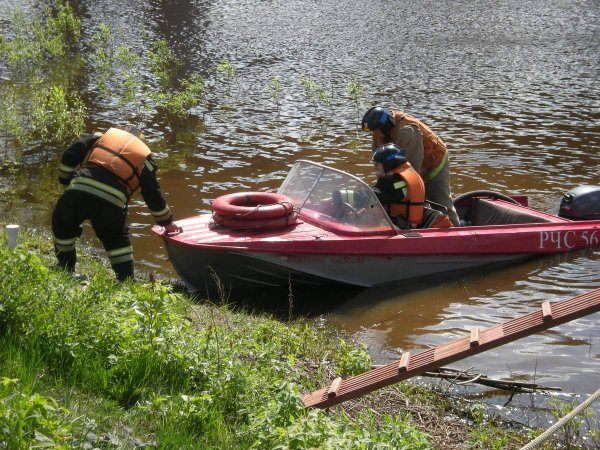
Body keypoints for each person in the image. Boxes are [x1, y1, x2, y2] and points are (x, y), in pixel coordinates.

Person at [52, 126, 180, 281]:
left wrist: (65, 180)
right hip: (111, 203)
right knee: (117, 242)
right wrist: (167, 223)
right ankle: (125, 280)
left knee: (63, 226)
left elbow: (72, 151)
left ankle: (66, 268)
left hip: (77, 191)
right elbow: (152, 194)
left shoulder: (100, 137)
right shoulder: (145, 158)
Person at [361, 106, 460, 226]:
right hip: (409, 163)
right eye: (373, 131)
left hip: (434, 162)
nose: (375, 134)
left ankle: (456, 230)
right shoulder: (378, 132)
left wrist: (392, 190)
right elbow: (380, 166)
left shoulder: (407, 132)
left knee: (440, 201)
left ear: (386, 126)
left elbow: (411, 173)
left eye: (376, 130)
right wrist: (381, 192)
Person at [371, 143, 452, 229]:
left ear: (388, 164)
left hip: (401, 229)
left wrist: (358, 196)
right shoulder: (408, 173)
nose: (376, 170)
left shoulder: (395, 181)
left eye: (377, 166)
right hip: (406, 225)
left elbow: (374, 195)